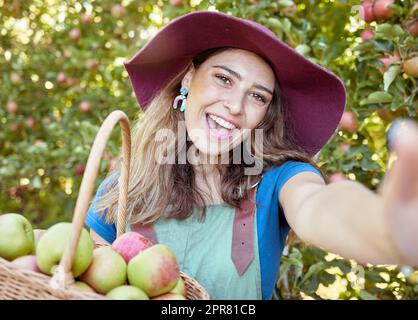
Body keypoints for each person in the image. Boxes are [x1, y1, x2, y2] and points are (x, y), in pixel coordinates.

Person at [85, 11, 418, 300]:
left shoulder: (278, 179)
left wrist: (384, 230)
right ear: (188, 78)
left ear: (266, 115)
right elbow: (83, 272)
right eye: (223, 78)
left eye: (257, 97)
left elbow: (318, 206)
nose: (235, 106)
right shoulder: (129, 183)